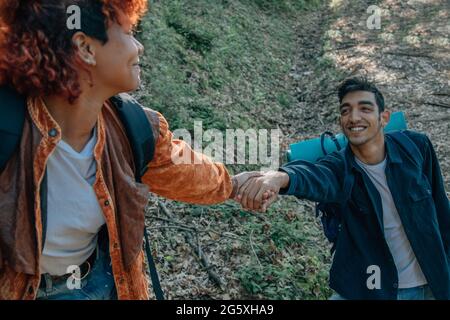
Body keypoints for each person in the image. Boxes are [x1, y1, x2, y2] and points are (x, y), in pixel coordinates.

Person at [0, 0, 260, 300]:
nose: (139, 47)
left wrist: (234, 185)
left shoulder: (134, 128)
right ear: (85, 48)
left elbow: (189, 171)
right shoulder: (9, 129)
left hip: (104, 283)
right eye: (129, 32)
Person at [234, 77, 450, 300]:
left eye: (365, 108)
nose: (354, 117)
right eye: (346, 111)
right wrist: (279, 177)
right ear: (340, 120)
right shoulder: (339, 168)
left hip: (432, 283)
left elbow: (441, 210)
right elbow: (313, 175)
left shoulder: (416, 147)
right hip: (373, 288)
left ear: (384, 117)